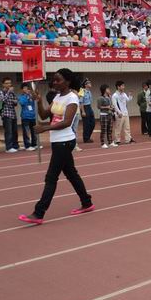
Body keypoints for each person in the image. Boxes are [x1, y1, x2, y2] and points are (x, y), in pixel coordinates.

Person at [18, 68, 94, 225]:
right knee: (71, 174)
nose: (55, 82)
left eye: (58, 80)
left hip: (65, 141)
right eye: (54, 80)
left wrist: (44, 128)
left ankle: (38, 213)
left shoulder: (72, 98)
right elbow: (44, 115)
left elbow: (67, 122)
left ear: (68, 81)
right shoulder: (58, 97)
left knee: (51, 177)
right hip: (58, 141)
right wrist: (39, 101)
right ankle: (86, 202)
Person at [0, 77, 20, 152]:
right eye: (7, 83)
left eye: (10, 83)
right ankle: (9, 147)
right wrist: (9, 92)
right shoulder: (1, 92)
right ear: (3, 84)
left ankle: (15, 146)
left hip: (13, 114)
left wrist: (15, 101)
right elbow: (2, 100)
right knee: (8, 132)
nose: (9, 84)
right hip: (6, 114)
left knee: (15, 131)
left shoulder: (12, 92)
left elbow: (15, 101)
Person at [18, 82, 38, 150]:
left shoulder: (31, 96)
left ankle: (34, 144)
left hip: (32, 116)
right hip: (25, 116)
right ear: (21, 90)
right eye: (24, 88)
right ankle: (27, 146)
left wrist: (31, 95)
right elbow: (22, 103)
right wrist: (27, 96)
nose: (26, 89)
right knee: (26, 132)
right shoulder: (21, 97)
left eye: (27, 88)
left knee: (34, 131)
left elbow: (35, 102)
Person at [98, 84, 116, 148]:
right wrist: (107, 107)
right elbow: (99, 107)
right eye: (108, 89)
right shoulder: (100, 98)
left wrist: (112, 108)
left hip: (110, 114)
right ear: (105, 90)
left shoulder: (109, 97)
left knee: (110, 129)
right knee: (103, 130)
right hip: (103, 115)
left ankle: (110, 142)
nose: (109, 90)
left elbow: (111, 106)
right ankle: (103, 143)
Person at [79, 79, 95, 143]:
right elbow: (81, 102)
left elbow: (90, 101)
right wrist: (83, 111)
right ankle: (86, 138)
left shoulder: (89, 91)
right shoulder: (81, 91)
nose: (90, 83)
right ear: (85, 85)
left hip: (89, 107)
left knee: (92, 123)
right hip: (84, 107)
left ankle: (88, 136)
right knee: (86, 124)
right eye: (88, 83)